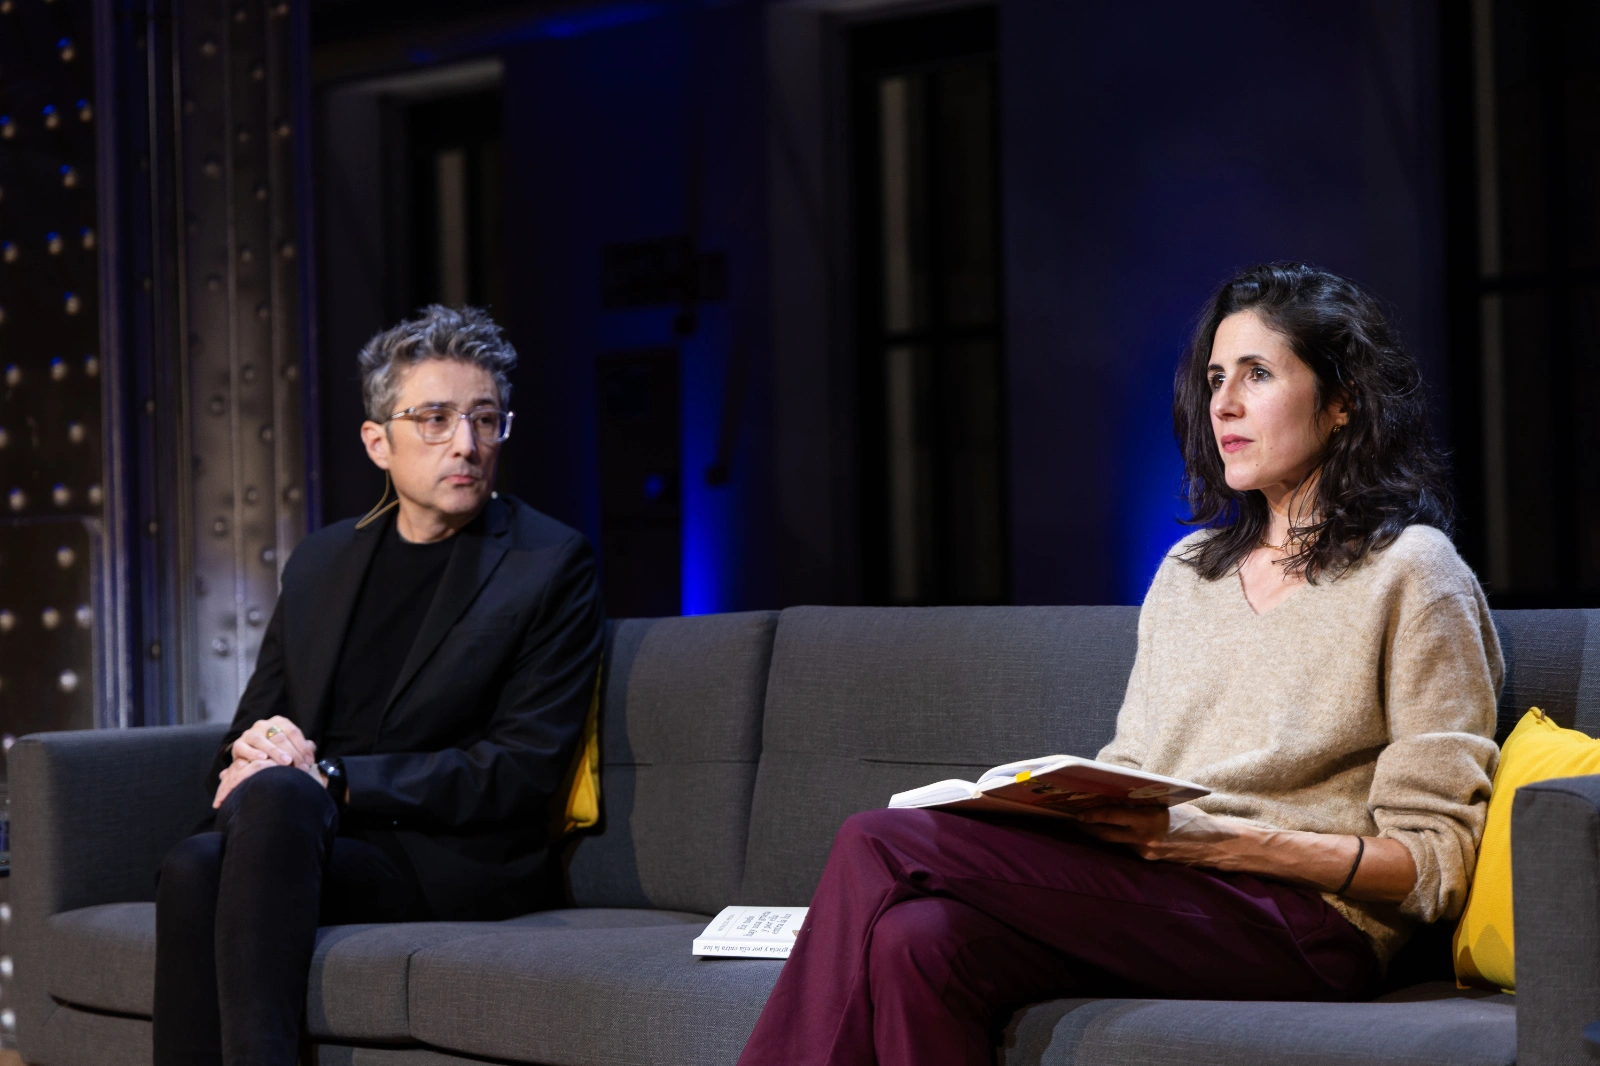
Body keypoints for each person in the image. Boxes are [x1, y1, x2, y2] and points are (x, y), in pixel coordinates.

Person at [736, 263, 1502, 1066]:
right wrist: (1060, 807)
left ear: (1342, 401)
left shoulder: (1413, 572)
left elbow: (1436, 863)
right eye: (1216, 379)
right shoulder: (1188, 572)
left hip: (1309, 923)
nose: (1224, 405)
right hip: (1170, 887)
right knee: (918, 939)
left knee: (877, 841)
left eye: (1258, 374)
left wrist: (1223, 843)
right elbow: (1136, 765)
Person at [152, 306, 605, 1066]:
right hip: (307, 835)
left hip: (450, 858)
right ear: (377, 442)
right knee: (194, 864)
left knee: (267, 810)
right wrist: (255, 749)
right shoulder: (322, 561)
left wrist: (332, 779)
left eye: (485, 420)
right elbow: (248, 730)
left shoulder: (548, 564)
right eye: (434, 419)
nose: (466, 444)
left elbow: (522, 769)